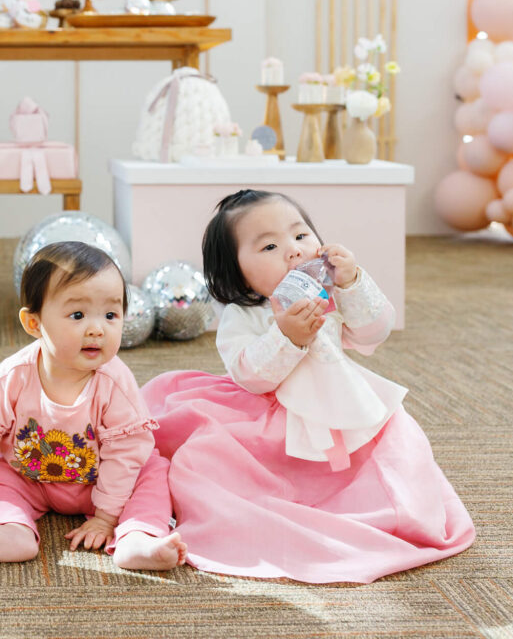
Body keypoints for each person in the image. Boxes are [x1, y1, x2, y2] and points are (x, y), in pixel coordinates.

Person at [142, 189, 475, 584]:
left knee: (395, 444)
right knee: (210, 464)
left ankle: (371, 507)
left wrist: (351, 283)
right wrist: (287, 336)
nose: (293, 251)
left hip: (342, 405)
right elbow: (249, 375)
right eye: (269, 245)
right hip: (268, 417)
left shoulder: (329, 296)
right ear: (236, 271)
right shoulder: (244, 315)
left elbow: (373, 333)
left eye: (301, 236)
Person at [0, 241, 187, 570]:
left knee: (153, 471)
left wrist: (106, 517)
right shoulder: (12, 377)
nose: (97, 328)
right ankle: (12, 530)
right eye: (78, 315)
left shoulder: (115, 383)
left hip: (105, 482)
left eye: (111, 315)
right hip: (30, 479)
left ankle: (138, 537)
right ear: (34, 324)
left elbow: (126, 452)